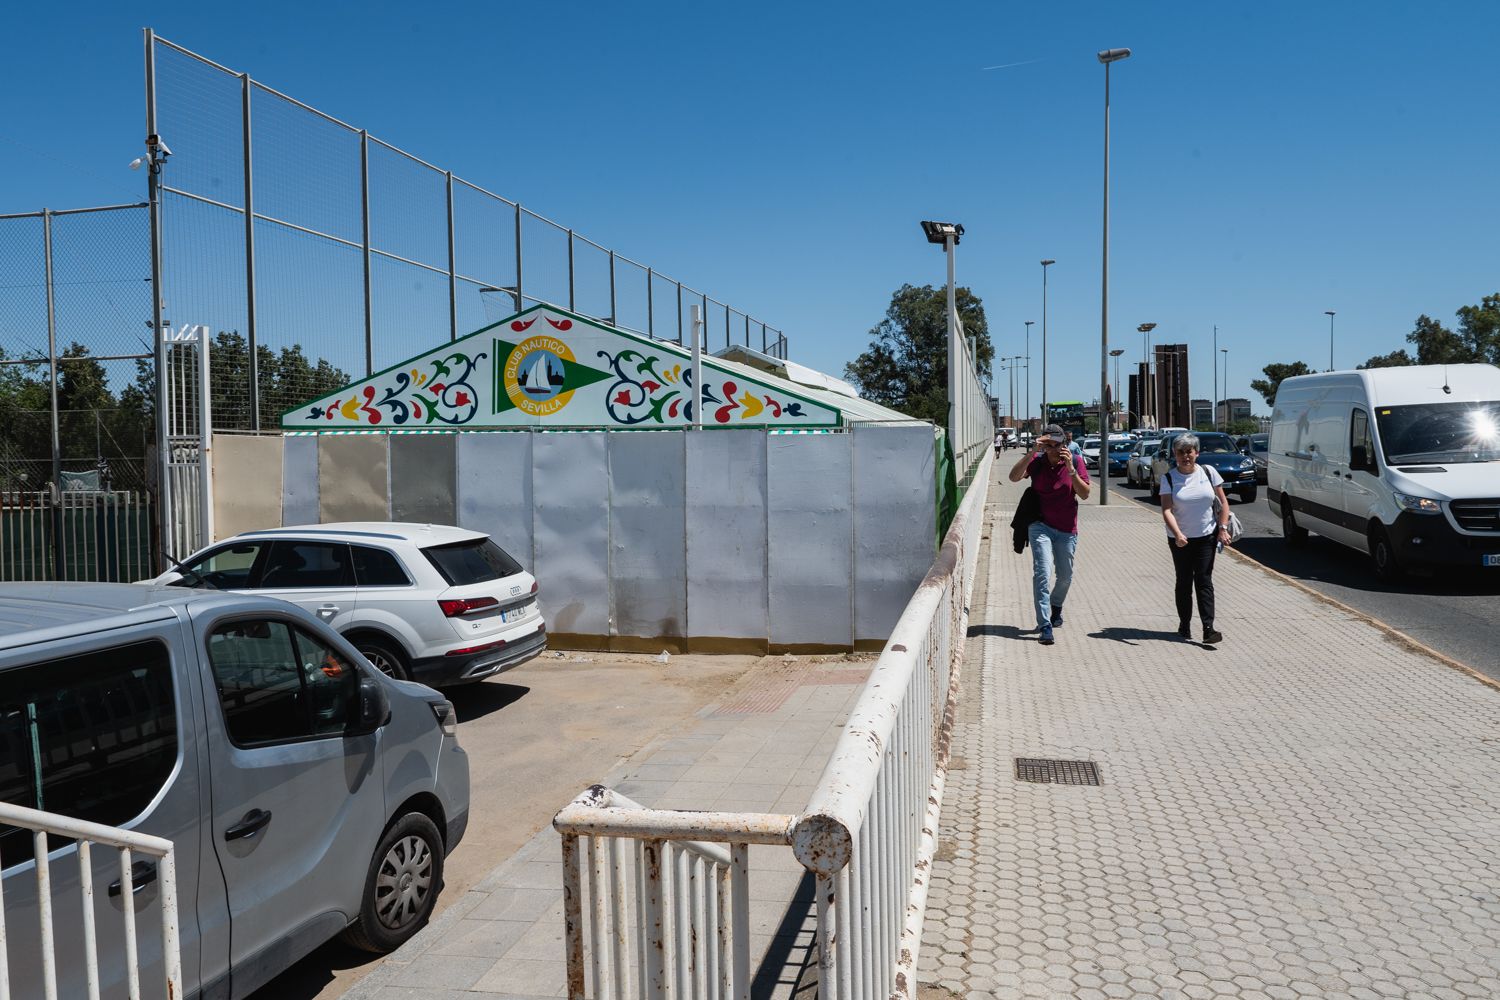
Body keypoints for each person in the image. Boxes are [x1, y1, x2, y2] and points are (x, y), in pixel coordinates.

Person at [1008, 423, 1090, 645]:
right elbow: (1013, 477)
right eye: (1048, 445)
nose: (1052, 450)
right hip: (1040, 525)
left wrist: (1071, 470)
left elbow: (1084, 494)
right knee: (1043, 572)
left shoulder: (1075, 461)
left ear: (1064, 445)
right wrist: (1032, 453)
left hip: (1066, 528)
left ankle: (1056, 605)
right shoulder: (1037, 461)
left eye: (1056, 445)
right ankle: (1044, 625)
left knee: (1065, 576)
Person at [1159, 432, 1232, 644]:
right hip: (1180, 539)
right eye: (1180, 452)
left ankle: (1208, 628)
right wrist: (1178, 534)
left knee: (1204, 580)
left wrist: (1223, 528)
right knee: (1184, 581)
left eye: (1189, 451)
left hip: (1206, 536)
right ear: (1175, 454)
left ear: (1196, 453)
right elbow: (1166, 510)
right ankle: (1184, 624)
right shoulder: (1169, 478)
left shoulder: (1208, 472)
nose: (1185, 456)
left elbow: (1223, 503)